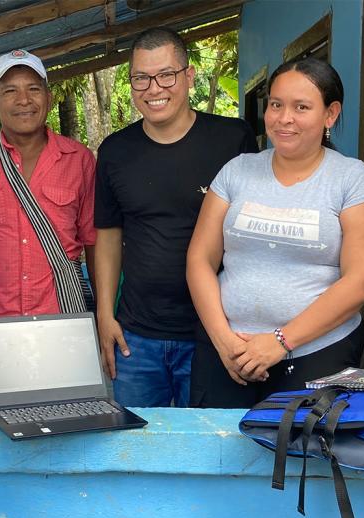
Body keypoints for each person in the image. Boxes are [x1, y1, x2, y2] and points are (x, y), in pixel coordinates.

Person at [186, 57, 364, 408]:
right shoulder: (238, 171)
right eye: (276, 105)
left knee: (299, 459)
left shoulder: (352, 180)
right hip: (228, 356)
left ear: (330, 114)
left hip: (316, 354)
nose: (284, 118)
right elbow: (200, 259)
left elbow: (363, 280)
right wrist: (222, 340)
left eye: (301, 107)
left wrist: (280, 341)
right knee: (218, 456)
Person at [93, 28, 258, 407]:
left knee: (208, 451)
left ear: (189, 76)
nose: (154, 89)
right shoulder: (115, 151)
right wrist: (105, 314)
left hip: (214, 331)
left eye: (166, 75)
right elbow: (108, 236)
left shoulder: (232, 139)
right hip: (136, 336)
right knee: (132, 450)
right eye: (141, 78)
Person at [0, 49, 96, 321]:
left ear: (48, 98)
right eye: (10, 91)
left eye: (33, 89)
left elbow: (93, 242)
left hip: (64, 315)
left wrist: (103, 315)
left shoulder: (79, 159)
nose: (24, 100)